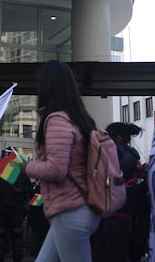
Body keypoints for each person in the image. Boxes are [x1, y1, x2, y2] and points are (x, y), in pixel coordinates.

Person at [22, 60, 101, 262]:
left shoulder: (57, 119)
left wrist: (27, 167)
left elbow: (57, 169)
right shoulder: (79, 118)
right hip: (77, 210)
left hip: (70, 211)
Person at [91, 122, 143, 262]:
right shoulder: (131, 157)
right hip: (121, 218)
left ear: (118, 138)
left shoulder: (120, 157)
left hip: (115, 217)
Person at [0, 160, 30, 262]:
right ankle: (16, 259)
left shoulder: (0, 172)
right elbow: (28, 190)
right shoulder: (21, 174)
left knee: (0, 235)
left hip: (2, 208)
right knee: (16, 235)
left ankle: (1, 259)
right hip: (15, 209)